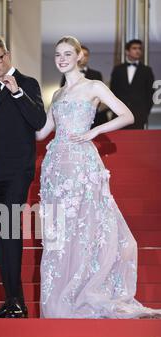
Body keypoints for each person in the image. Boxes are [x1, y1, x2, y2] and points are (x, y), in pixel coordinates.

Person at [36, 36, 161, 319]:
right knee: (61, 232)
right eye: (58, 54)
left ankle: (87, 290)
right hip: (56, 166)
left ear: (79, 56)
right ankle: (61, 299)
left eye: (68, 53)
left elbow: (127, 115)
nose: (62, 58)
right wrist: (15, 99)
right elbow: (41, 133)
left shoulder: (94, 86)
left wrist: (95, 131)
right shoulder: (57, 95)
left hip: (82, 164)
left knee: (88, 225)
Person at [0, 36, 46, 319]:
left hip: (18, 171)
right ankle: (10, 301)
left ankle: (17, 302)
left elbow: (39, 121)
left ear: (7, 55)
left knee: (10, 230)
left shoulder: (27, 83)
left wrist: (17, 93)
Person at [110, 39, 155, 129]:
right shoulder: (118, 69)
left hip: (139, 115)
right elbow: (112, 92)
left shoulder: (147, 70)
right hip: (120, 115)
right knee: (119, 141)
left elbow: (150, 93)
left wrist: (145, 112)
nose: (138, 51)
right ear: (127, 51)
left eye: (139, 48)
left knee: (137, 141)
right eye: (134, 48)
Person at [61, 45, 108, 127]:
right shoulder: (67, 74)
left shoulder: (96, 74)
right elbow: (63, 94)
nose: (83, 57)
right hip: (72, 118)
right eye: (80, 55)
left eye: (85, 55)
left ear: (88, 57)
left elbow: (100, 96)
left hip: (93, 116)